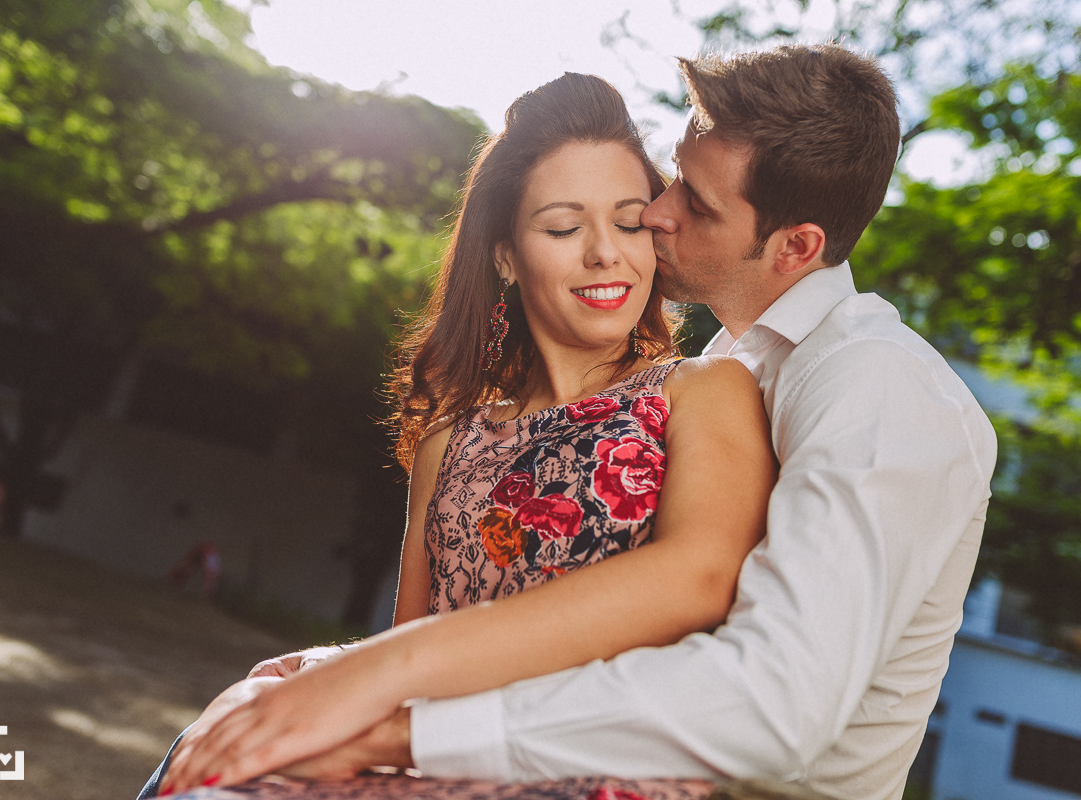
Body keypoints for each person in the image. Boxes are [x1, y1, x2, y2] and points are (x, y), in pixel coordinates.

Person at [158, 43, 997, 800]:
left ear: (796, 246)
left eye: (687, 206)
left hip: (736, 784)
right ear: (507, 252)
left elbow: (769, 701)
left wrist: (397, 718)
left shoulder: (874, 393)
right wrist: (353, 685)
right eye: (665, 183)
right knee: (235, 726)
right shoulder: (742, 366)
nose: (657, 217)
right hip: (571, 741)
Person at [148, 73, 773, 797]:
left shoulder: (703, 390)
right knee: (217, 756)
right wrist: (284, 689)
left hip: (603, 761)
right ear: (505, 255)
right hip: (437, 750)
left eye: (631, 221)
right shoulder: (451, 440)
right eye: (565, 227)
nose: (606, 252)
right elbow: (411, 649)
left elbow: (703, 576)